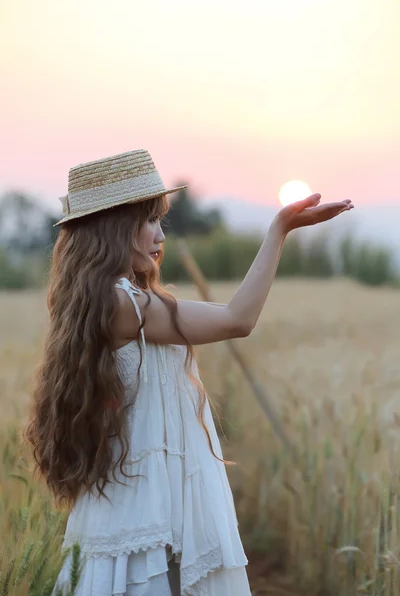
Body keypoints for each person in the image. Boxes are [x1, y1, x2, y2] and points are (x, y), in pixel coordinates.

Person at [23, 149, 354, 596]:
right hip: (145, 510)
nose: (160, 235)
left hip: (132, 501)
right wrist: (279, 231)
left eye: (160, 220)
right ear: (112, 228)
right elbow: (238, 318)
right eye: (148, 221)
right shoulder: (122, 304)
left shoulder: (102, 299)